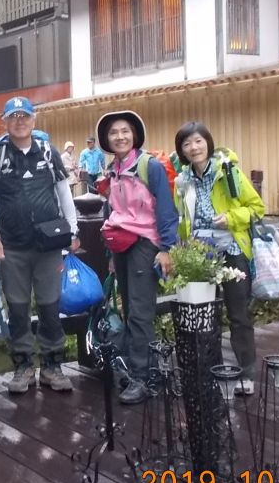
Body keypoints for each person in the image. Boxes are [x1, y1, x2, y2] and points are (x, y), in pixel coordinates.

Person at [0, 97, 79, 394]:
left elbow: (64, 193)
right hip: (12, 246)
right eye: (13, 117)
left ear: (34, 120)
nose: (19, 121)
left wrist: (72, 231)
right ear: (5, 122)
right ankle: (22, 366)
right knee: (18, 308)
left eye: (25, 116)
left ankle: (52, 365)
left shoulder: (48, 151)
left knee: (49, 305)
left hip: (48, 246)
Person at [173, 121, 265, 395]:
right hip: (200, 257)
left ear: (208, 143)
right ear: (182, 150)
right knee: (204, 316)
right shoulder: (183, 180)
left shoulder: (228, 172)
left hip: (232, 250)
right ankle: (212, 372)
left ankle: (246, 374)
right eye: (187, 143)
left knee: (238, 315)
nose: (193, 148)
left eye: (198, 141)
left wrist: (232, 218)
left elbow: (257, 208)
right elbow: (182, 220)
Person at [96, 112, 179, 404]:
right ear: (106, 140)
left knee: (142, 310)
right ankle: (139, 368)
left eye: (125, 131)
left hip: (145, 243)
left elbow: (166, 209)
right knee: (129, 308)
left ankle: (141, 378)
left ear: (134, 135)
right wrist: (110, 253)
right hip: (122, 245)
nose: (120, 137)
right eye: (113, 133)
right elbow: (112, 212)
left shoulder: (149, 166)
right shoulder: (114, 169)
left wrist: (166, 248)